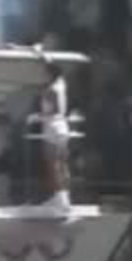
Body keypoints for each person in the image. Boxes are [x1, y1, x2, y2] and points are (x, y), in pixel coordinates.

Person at [31, 44, 74, 210]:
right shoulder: (61, 83)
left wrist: (37, 117)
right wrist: (40, 52)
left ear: (50, 75)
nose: (43, 75)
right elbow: (50, 64)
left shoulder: (50, 90)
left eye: (45, 73)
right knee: (62, 163)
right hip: (63, 126)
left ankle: (60, 198)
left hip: (52, 126)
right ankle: (63, 198)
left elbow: (52, 110)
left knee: (53, 163)